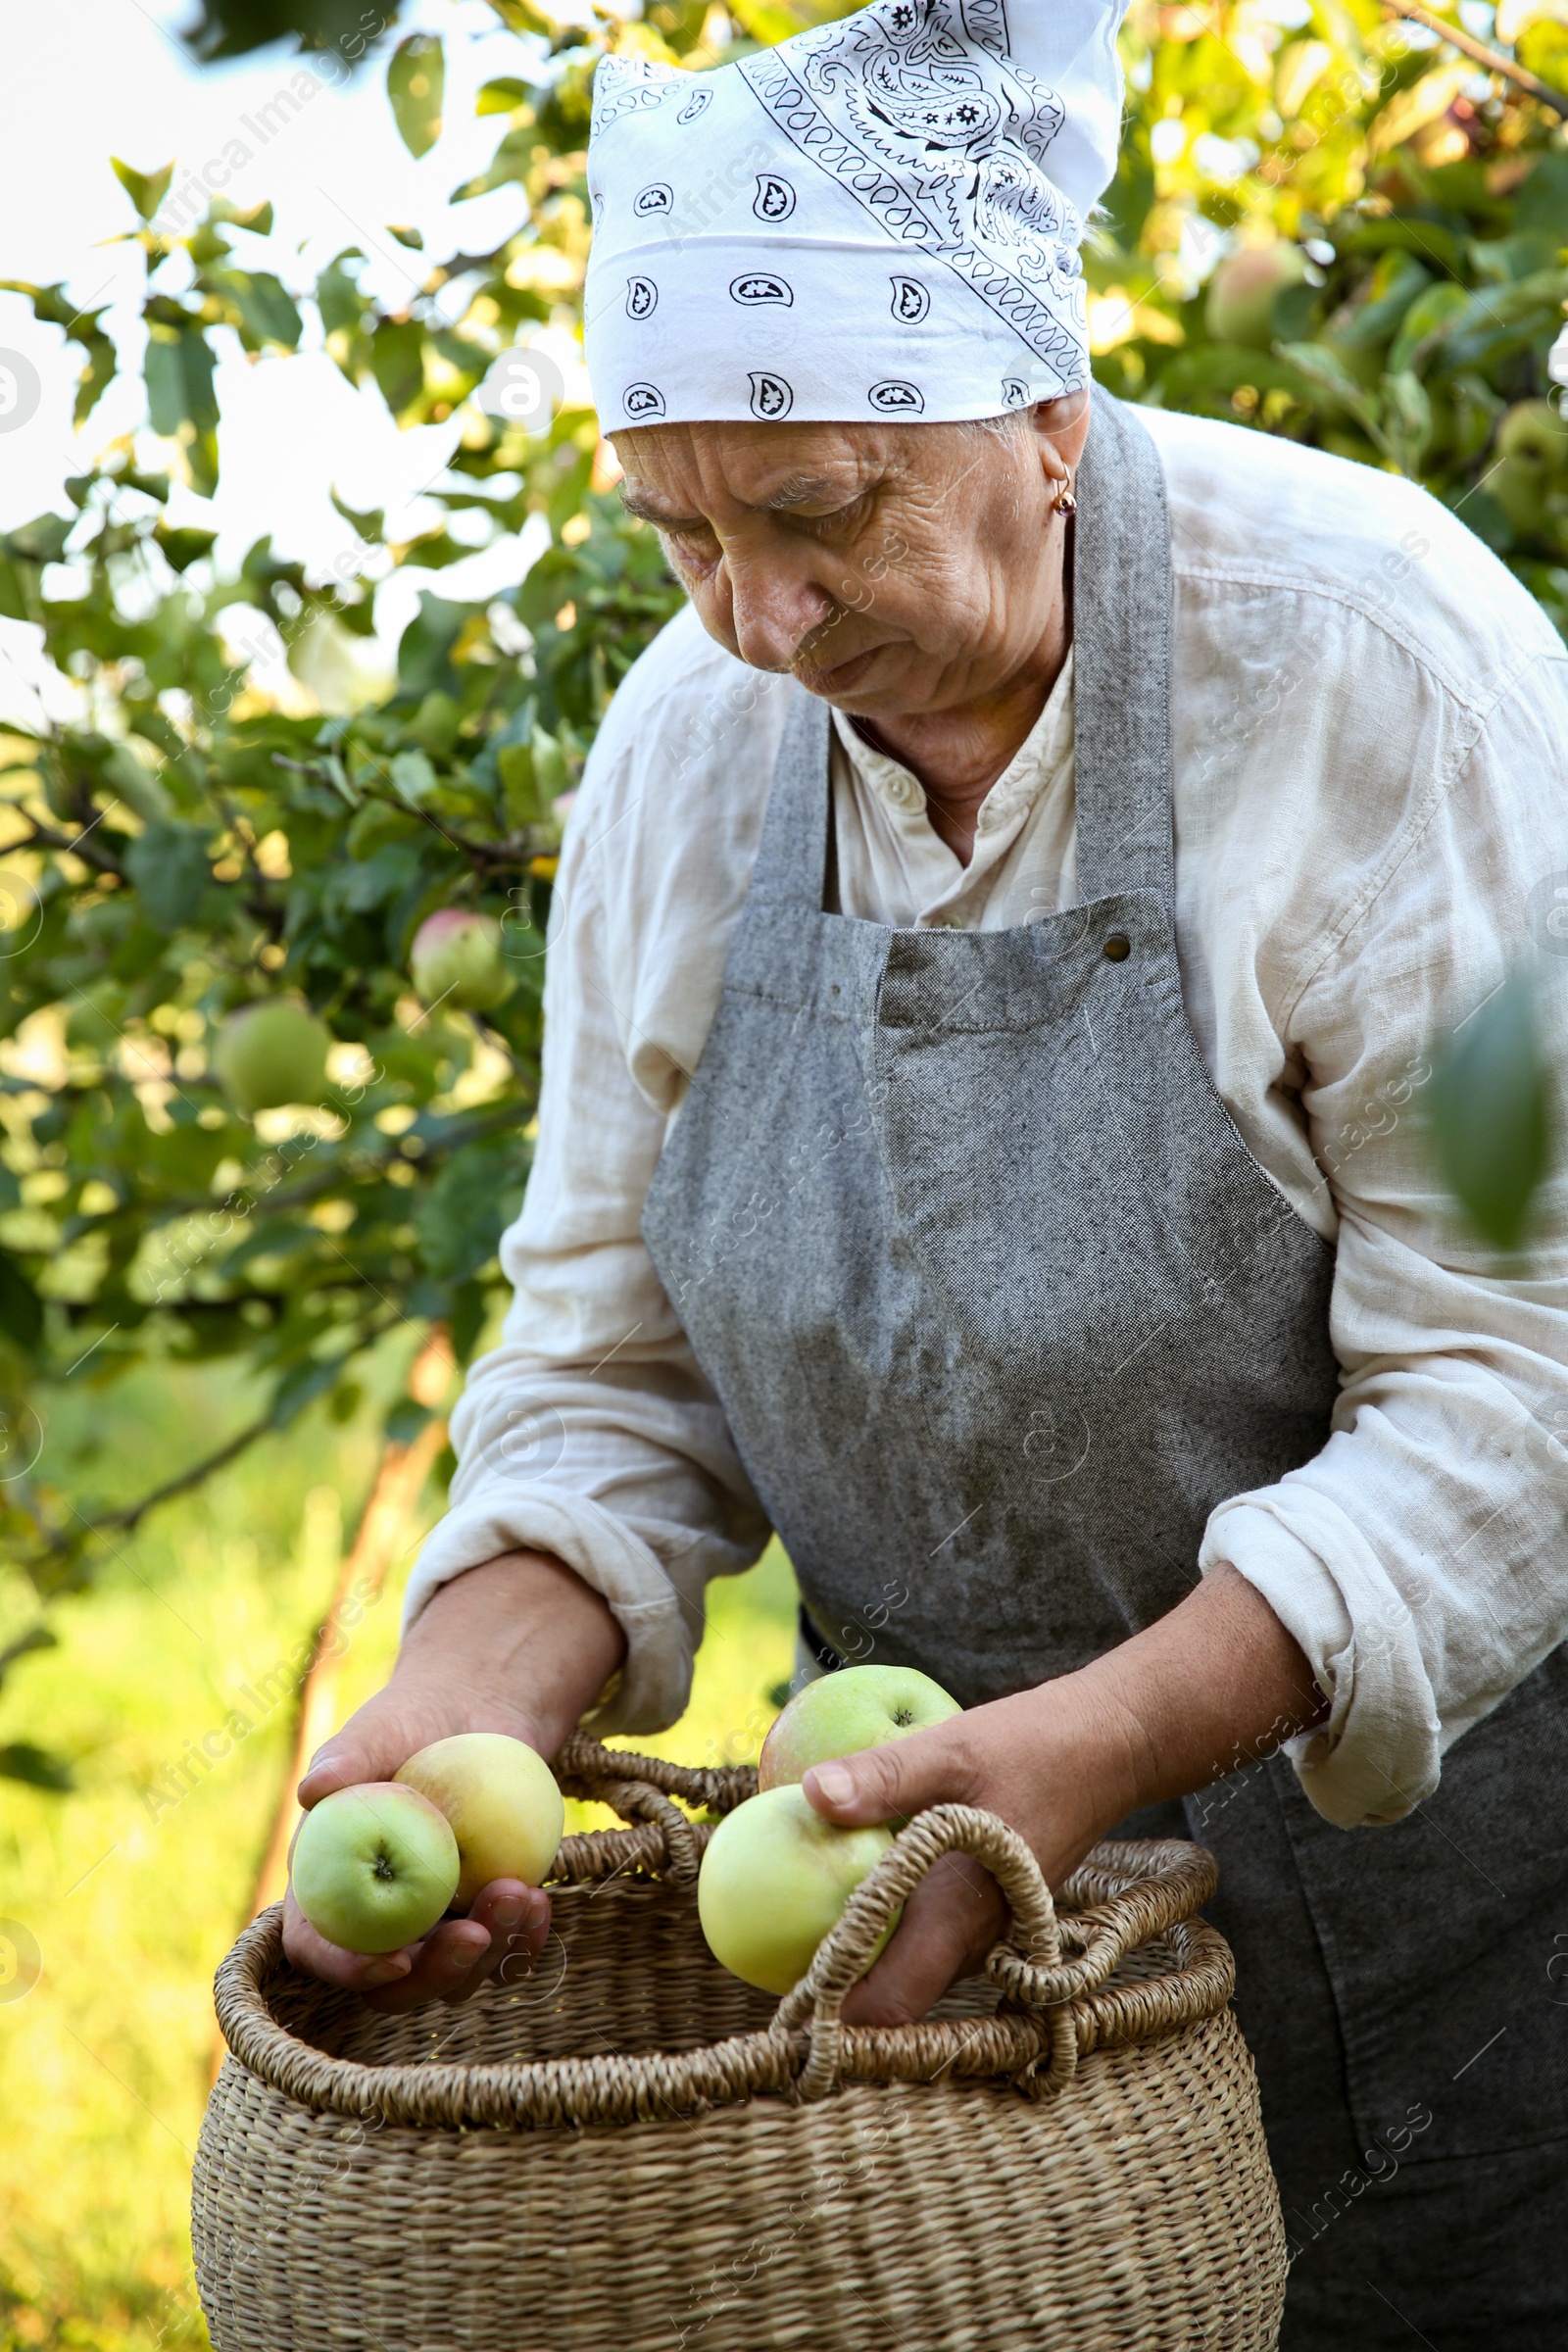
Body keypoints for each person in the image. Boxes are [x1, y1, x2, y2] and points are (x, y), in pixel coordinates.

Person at [284, 1, 1568, 2339]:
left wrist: (1081, 1754)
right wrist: (468, 1688)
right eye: (676, 532)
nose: (758, 626)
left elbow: (1520, 1383)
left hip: (1451, 1941)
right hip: (924, 1966)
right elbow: (608, 1355)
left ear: (1045, 417)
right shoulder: (698, 746)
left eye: (820, 513)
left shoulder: (1375, 676)